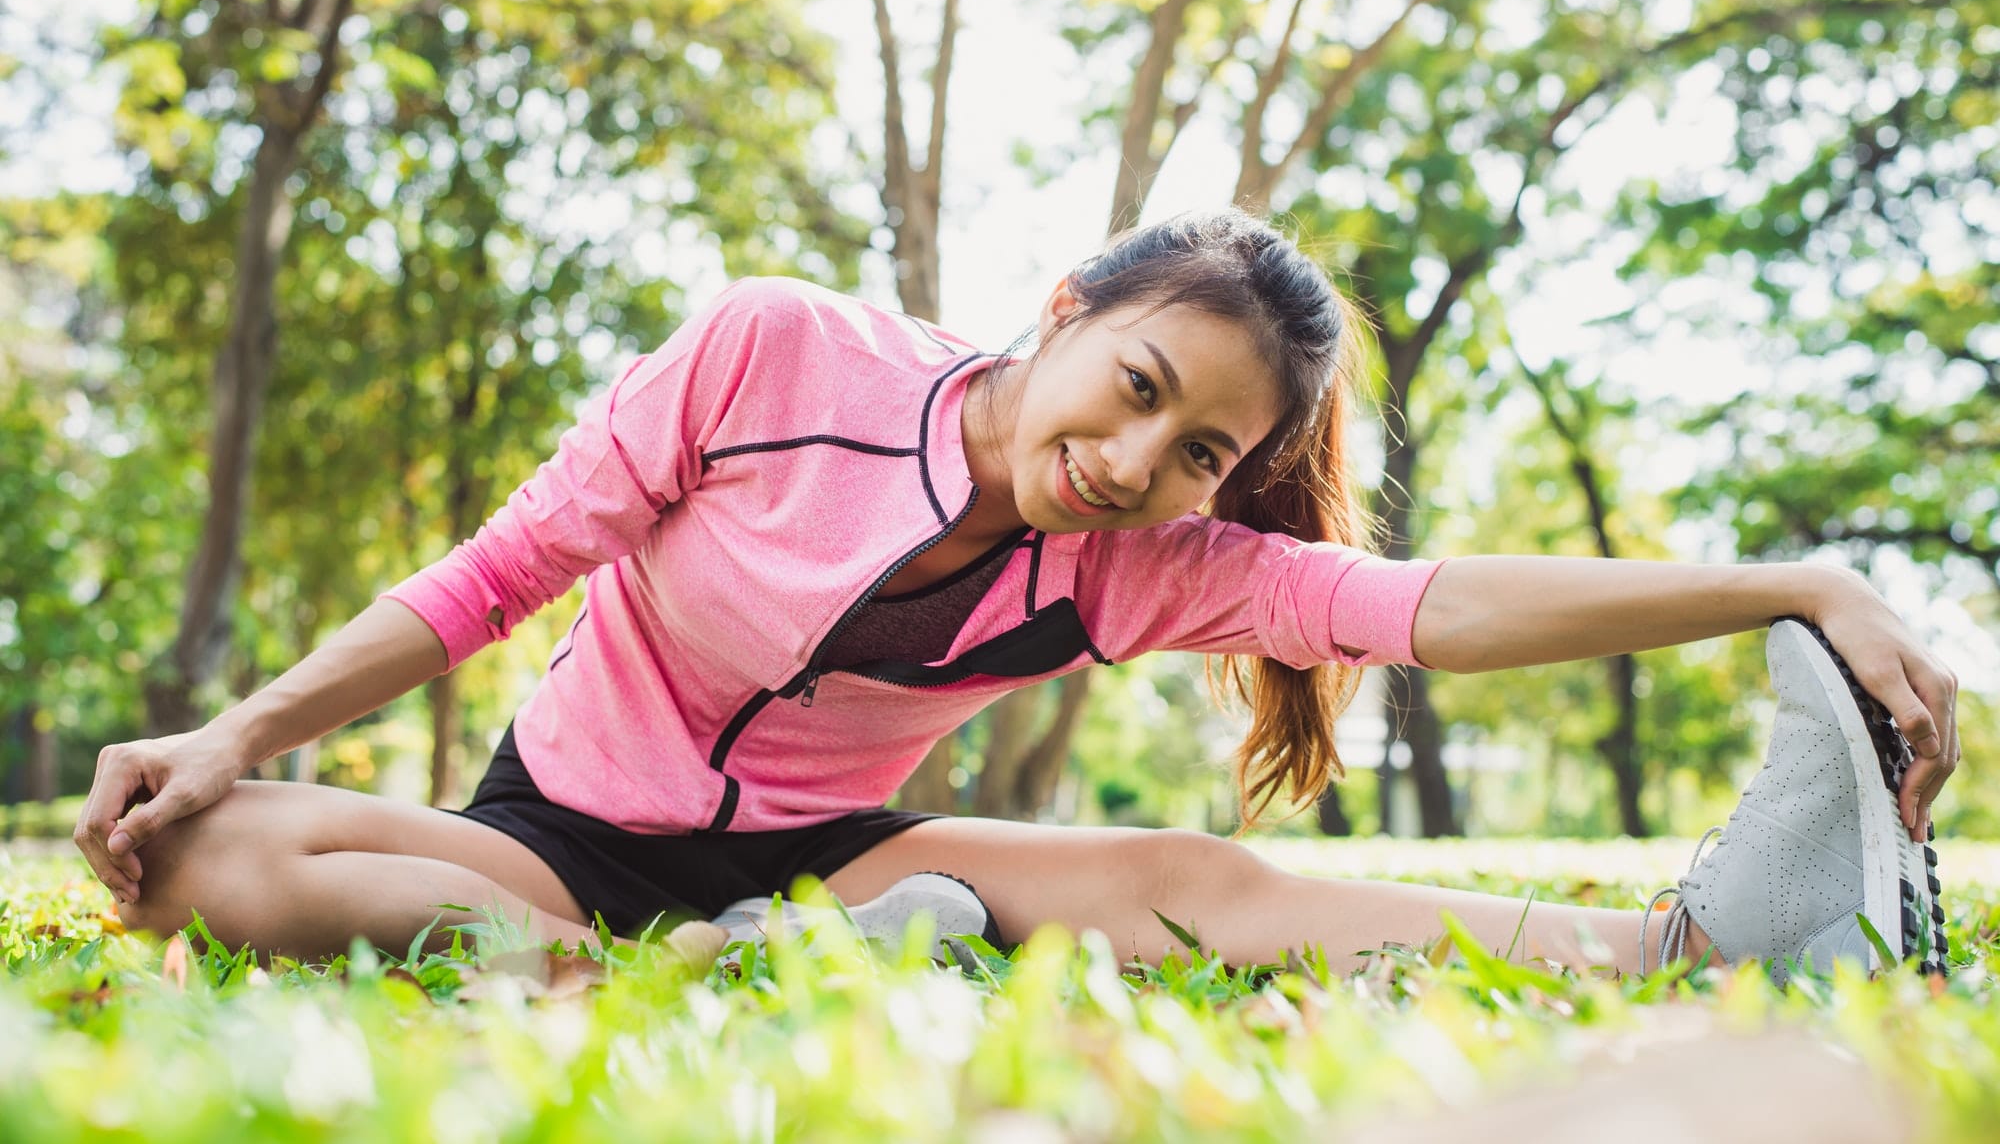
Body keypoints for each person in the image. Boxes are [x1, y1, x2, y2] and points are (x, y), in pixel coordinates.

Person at [74, 209, 1959, 981]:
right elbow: (495, 576)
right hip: (548, 843)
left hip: (841, 869)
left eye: (1203, 451)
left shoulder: (1156, 564)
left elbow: (1427, 605)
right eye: (1141, 389)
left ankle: (1688, 946)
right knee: (192, 854)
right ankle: (633, 977)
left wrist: (1781, 583)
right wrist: (230, 731)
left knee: (1196, 881)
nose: (1143, 465)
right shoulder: (773, 355)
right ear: (1066, 316)